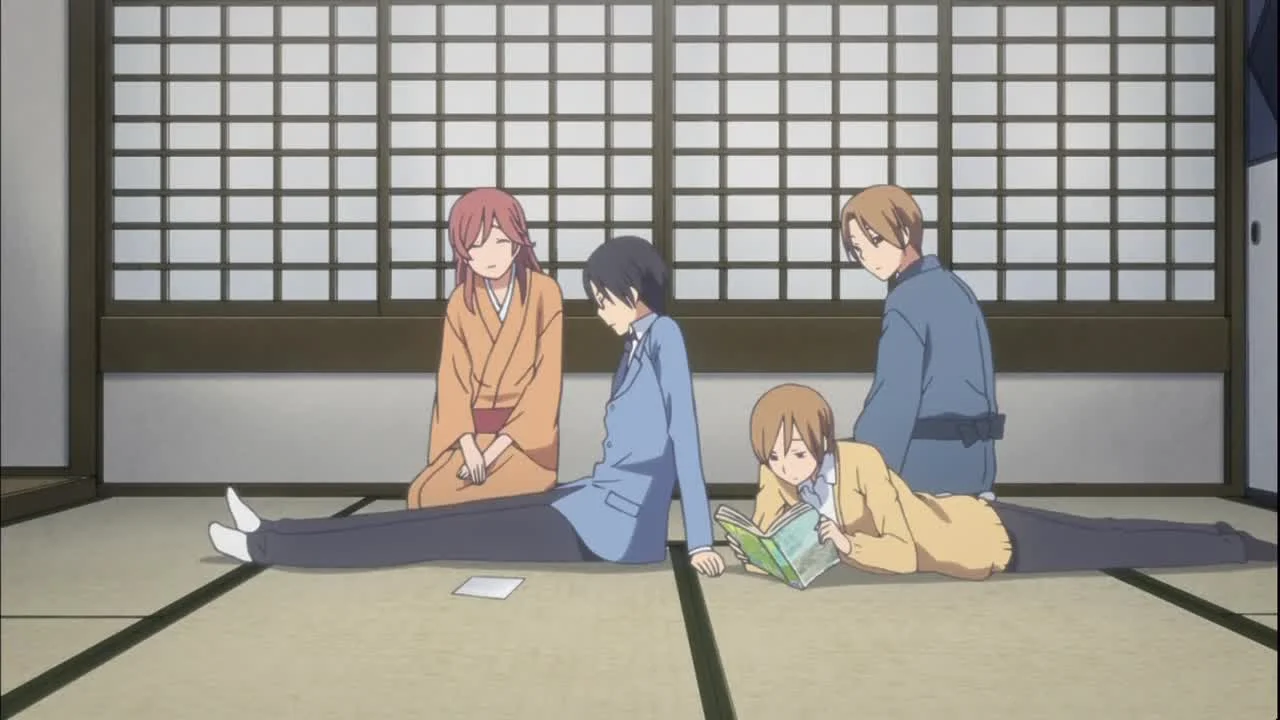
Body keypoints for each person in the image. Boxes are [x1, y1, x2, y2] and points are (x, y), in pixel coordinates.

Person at [207, 236, 726, 578]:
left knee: (437, 532)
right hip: (590, 504)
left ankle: (267, 545)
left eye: (602, 299)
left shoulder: (665, 336)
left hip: (615, 531)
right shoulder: (635, 346)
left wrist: (700, 542)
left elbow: (685, 439)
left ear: (632, 292)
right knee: (445, 518)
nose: (598, 310)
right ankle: (270, 530)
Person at [729, 384, 1277, 581]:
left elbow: (904, 552)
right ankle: (1224, 537)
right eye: (774, 456)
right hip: (965, 530)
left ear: (823, 440)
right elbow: (772, 536)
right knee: (1109, 536)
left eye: (797, 453)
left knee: (1111, 539)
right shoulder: (776, 473)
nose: (786, 466)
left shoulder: (862, 463)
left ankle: (1235, 544)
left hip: (984, 538)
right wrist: (749, 551)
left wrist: (848, 545)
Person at [405, 188, 564, 509]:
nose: (489, 255)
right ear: (463, 251)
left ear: (517, 241)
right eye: (476, 245)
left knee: (456, 498)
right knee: (422, 494)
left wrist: (491, 454)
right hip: (469, 438)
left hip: (523, 442)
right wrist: (469, 447)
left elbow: (545, 385)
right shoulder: (460, 302)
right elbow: (452, 383)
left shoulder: (544, 293)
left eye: (499, 241)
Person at [840, 184, 1002, 499]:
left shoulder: (906, 300)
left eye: (875, 240)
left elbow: (894, 398)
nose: (867, 257)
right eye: (858, 249)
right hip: (975, 463)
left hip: (925, 466)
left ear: (904, 232)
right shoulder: (954, 287)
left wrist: (866, 466)